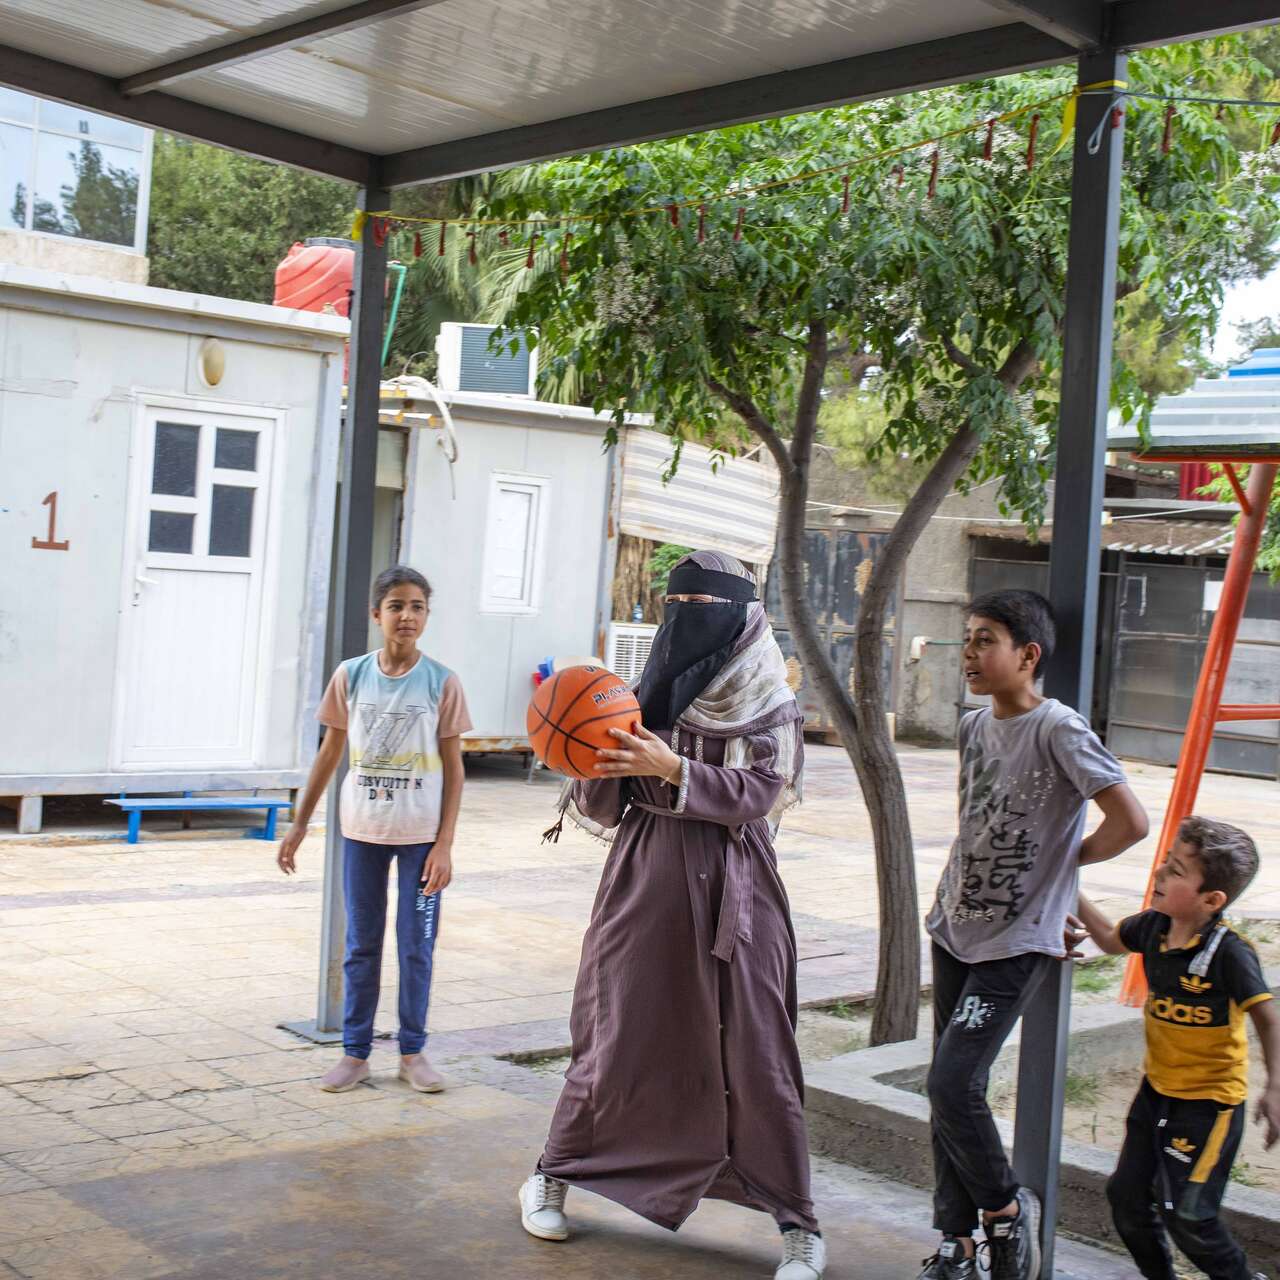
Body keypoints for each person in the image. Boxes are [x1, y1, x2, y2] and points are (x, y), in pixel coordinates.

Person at [518, 551, 826, 1280]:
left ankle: (797, 1224)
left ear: (742, 619)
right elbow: (603, 802)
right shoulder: (634, 696)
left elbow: (761, 792)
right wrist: (589, 761)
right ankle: (551, 1174)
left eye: (703, 607)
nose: (686, 620)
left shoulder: (770, 704)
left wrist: (674, 769)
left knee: (755, 1051)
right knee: (614, 1034)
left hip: (738, 887)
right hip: (645, 876)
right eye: (676, 605)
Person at [919, 589, 1149, 1280]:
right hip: (954, 924)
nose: (969, 652)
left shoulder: (1058, 728)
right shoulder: (971, 727)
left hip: (1017, 942)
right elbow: (980, 822)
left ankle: (1006, 1210)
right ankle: (956, 1246)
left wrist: (1061, 868)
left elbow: (1129, 822)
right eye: (967, 638)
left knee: (952, 1084)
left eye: (985, 639)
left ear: (1028, 654)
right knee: (944, 1091)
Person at [277, 565, 470, 1094]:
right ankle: (355, 1054)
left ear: (426, 616)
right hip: (361, 831)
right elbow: (329, 754)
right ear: (376, 614)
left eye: (417, 607)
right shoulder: (352, 676)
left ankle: (412, 1053)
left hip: (421, 838)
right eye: (396, 606)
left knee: (416, 946)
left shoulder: (442, 682)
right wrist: (300, 823)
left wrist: (445, 845)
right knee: (361, 945)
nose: (407, 616)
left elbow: (455, 771)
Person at [1073, 816, 1279, 1280]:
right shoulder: (1152, 927)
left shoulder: (1230, 952)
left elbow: (1268, 1018)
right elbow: (1109, 939)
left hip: (1208, 1106)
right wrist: (1068, 883)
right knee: (1126, 1200)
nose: (1159, 873)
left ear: (1212, 900)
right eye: (1165, 862)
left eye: (1176, 870)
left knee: (1187, 1216)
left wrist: (1275, 1087)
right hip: (1156, 1094)